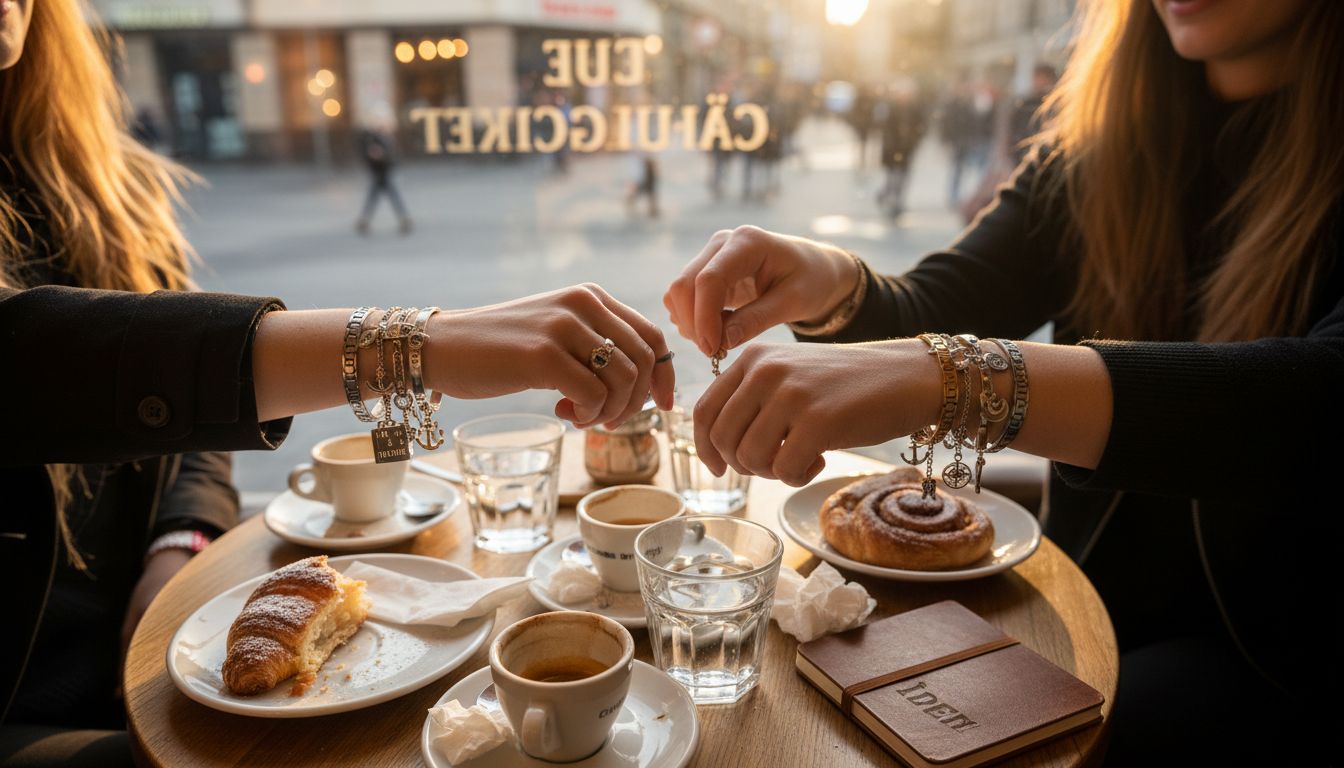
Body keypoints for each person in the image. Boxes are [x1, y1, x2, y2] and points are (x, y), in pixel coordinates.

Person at [664, 0, 1339, 762]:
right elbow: (938, 310)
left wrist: (954, 376)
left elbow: (1316, 403)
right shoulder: (1102, 146)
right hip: (1072, 605)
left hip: (1279, 656)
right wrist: (829, 280)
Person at [0, 3, 674, 767]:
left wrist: (176, 543)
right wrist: (414, 343)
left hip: (168, 638)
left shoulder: (108, 187)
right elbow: (30, 359)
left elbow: (190, 427)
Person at [355, 125, 412, 235]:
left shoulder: (378, 142)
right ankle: (403, 219)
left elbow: (387, 158)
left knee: (377, 199)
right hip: (380, 174)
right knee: (388, 198)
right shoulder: (377, 142)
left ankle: (365, 220)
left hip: (381, 174)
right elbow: (380, 158)